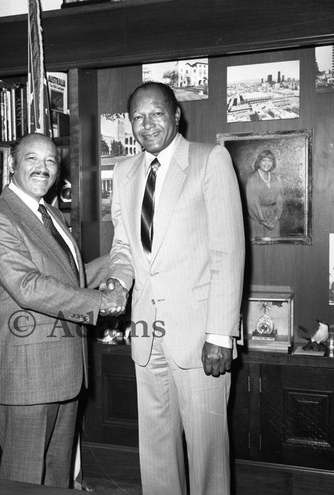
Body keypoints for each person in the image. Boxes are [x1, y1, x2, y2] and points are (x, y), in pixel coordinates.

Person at [106, 82, 245, 495]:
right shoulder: (124, 171)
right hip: (147, 335)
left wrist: (220, 334)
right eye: (137, 117)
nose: (147, 124)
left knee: (207, 453)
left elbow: (228, 251)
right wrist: (117, 282)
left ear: (176, 114)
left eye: (156, 114)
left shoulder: (209, 160)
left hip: (201, 336)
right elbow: (123, 246)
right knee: (156, 451)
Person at [0, 133, 126, 488]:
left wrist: (121, 264)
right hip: (27, 371)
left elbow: (71, 278)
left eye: (51, 162)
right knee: (23, 478)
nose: (43, 168)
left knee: (57, 476)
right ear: (13, 164)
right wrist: (101, 302)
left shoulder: (52, 213)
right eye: (32, 159)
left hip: (66, 368)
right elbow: (28, 286)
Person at [245, 149, 284, 239]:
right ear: (259, 162)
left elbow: (280, 199)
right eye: (264, 160)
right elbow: (253, 203)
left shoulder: (275, 178)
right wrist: (263, 221)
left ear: (273, 163)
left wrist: (276, 218)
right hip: (259, 219)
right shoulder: (253, 179)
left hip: (274, 218)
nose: (267, 163)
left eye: (270, 160)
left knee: (275, 248)